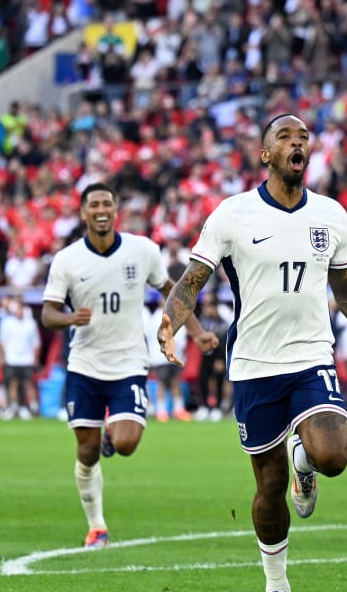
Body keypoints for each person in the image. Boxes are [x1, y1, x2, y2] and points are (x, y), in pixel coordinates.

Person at [156, 114, 347, 592]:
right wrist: (170, 324)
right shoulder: (232, 214)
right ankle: (276, 588)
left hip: (311, 356)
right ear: (265, 154)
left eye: (304, 138)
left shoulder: (331, 217)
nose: (297, 143)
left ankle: (305, 464)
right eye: (285, 137)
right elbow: (192, 279)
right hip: (252, 365)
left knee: (332, 455)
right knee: (267, 485)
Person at [40, 182, 218, 549]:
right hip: (85, 365)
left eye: (107, 203)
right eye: (94, 205)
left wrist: (197, 331)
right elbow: (47, 313)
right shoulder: (68, 260)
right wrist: (71, 319)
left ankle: (112, 433)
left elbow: (171, 289)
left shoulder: (142, 250)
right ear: (84, 213)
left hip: (129, 363)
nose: (101, 210)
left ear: (116, 209)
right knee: (86, 453)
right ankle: (97, 526)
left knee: (126, 443)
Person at [0, 293, 41, 420]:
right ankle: (14, 407)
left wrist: (35, 358)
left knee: (28, 383)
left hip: (27, 359)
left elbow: (35, 343)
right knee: (13, 383)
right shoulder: (7, 323)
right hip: (12, 358)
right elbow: (2, 342)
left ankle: (33, 407)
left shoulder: (30, 324)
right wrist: (1, 356)